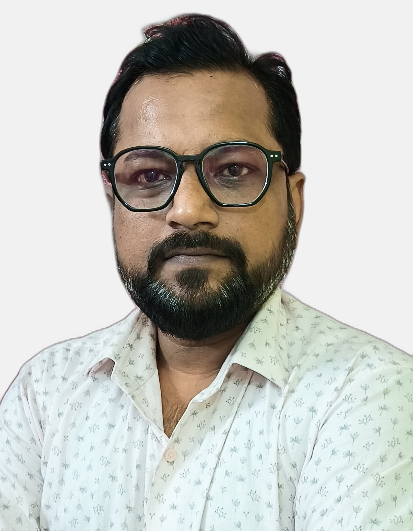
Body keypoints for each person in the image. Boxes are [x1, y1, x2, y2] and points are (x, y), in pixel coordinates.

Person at [1, 13, 412, 531]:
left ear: (294, 200)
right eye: (149, 175)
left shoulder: (371, 393)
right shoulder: (44, 394)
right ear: (113, 201)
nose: (189, 210)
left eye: (233, 170)